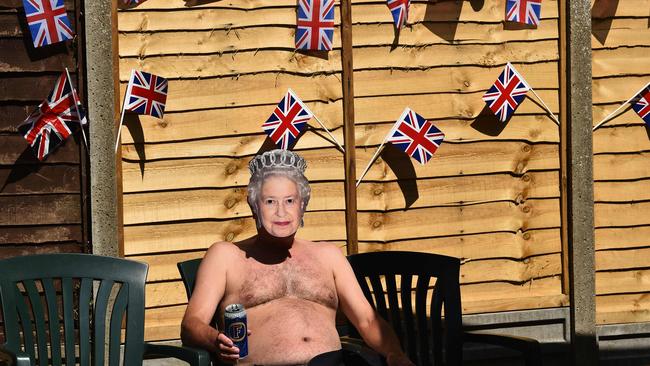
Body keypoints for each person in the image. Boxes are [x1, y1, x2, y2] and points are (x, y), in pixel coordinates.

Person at [181, 149, 414, 366]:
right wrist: (216, 340)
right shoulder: (226, 256)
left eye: (290, 201)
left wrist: (396, 354)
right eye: (270, 201)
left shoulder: (328, 255)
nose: (281, 212)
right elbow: (191, 325)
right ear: (254, 206)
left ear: (302, 206)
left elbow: (367, 320)